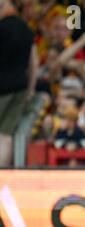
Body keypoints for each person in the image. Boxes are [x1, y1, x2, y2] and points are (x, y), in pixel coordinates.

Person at [0, 0, 38, 166]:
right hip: (20, 87)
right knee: (6, 135)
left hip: (1, 88)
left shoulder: (2, 27)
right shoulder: (26, 28)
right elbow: (33, 62)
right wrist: (30, 89)